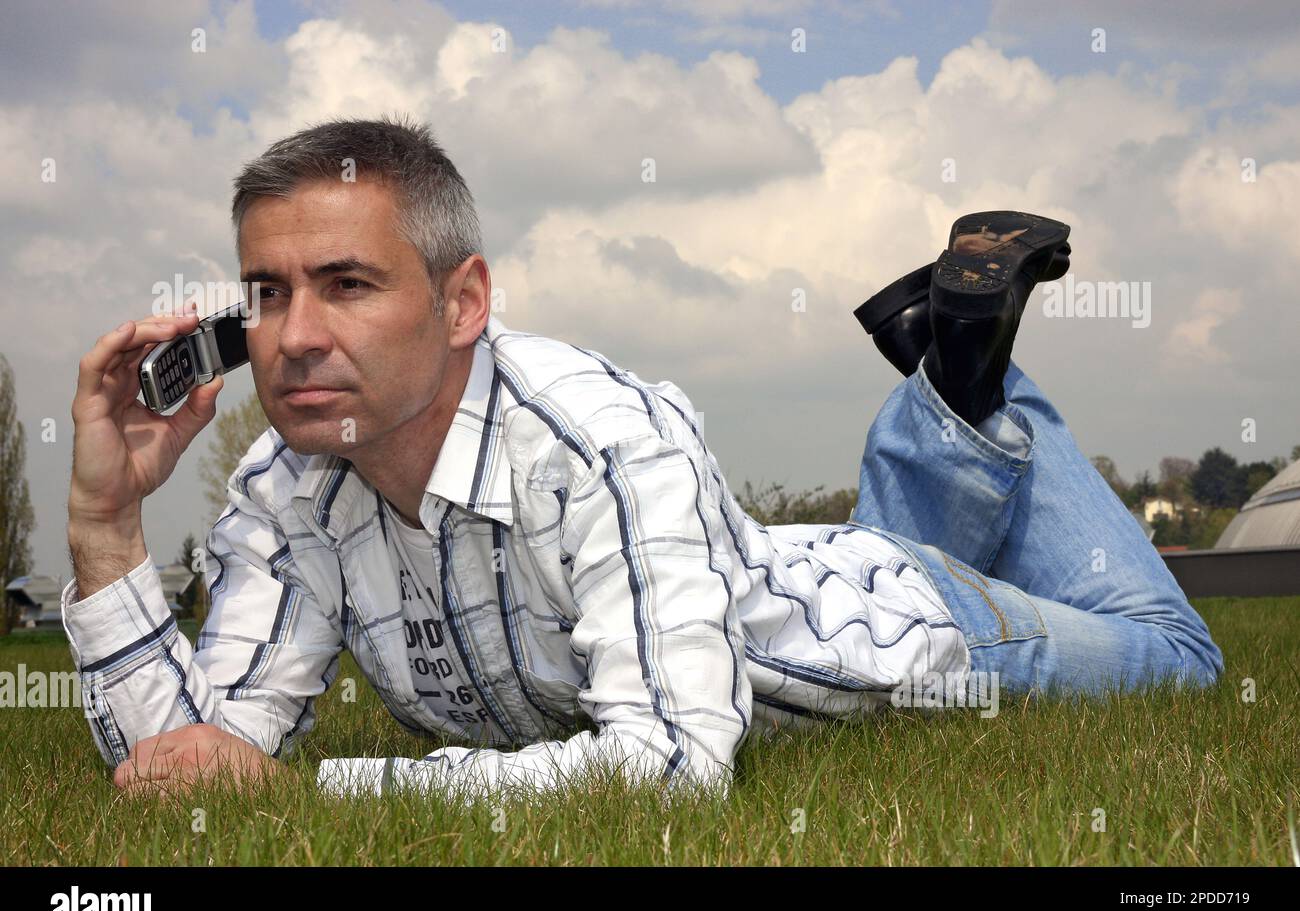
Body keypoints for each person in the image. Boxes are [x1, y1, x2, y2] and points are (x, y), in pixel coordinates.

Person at [62, 117, 1222, 802]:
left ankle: (974, 371)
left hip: (920, 631)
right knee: (883, 538)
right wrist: (107, 526)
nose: (295, 334)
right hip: (805, 561)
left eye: (347, 284)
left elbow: (670, 759)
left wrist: (327, 788)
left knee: (1183, 662)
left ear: (465, 302)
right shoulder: (285, 488)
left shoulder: (599, 435)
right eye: (268, 293)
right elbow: (184, 763)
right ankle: (948, 380)